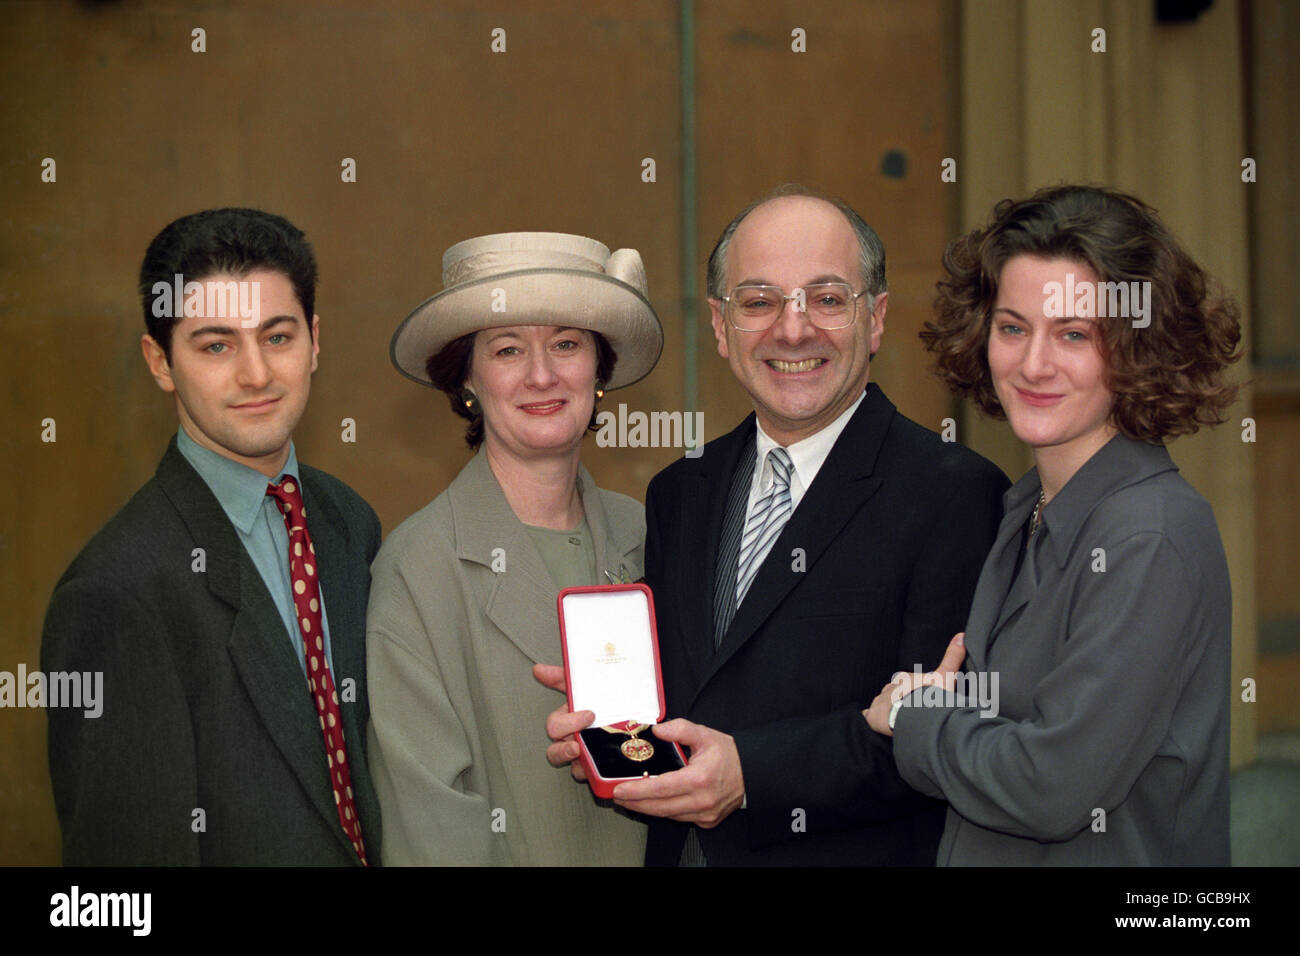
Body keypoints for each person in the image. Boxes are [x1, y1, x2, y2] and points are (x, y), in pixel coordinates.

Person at [543, 185, 1010, 865]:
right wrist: (611, 736)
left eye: (826, 299)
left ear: (875, 318)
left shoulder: (954, 495)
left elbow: (943, 734)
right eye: (759, 302)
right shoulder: (681, 492)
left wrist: (752, 776)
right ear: (720, 326)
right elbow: (695, 698)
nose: (793, 330)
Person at [867, 184, 1241, 865]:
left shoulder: (1149, 533)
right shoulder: (1025, 507)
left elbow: (1050, 787)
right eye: (1013, 328)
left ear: (1138, 348)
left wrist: (915, 719)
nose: (1033, 364)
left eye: (1074, 334)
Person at [41, 208, 381, 865]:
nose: (256, 374)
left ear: (315, 339)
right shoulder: (114, 592)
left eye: (277, 336)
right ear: (161, 361)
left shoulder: (349, 522)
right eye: (216, 345)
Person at [369, 231, 664, 865]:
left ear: (598, 369)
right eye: (508, 350)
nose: (542, 374)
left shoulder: (648, 533)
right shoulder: (418, 567)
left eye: (566, 343)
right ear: (467, 379)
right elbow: (431, 835)